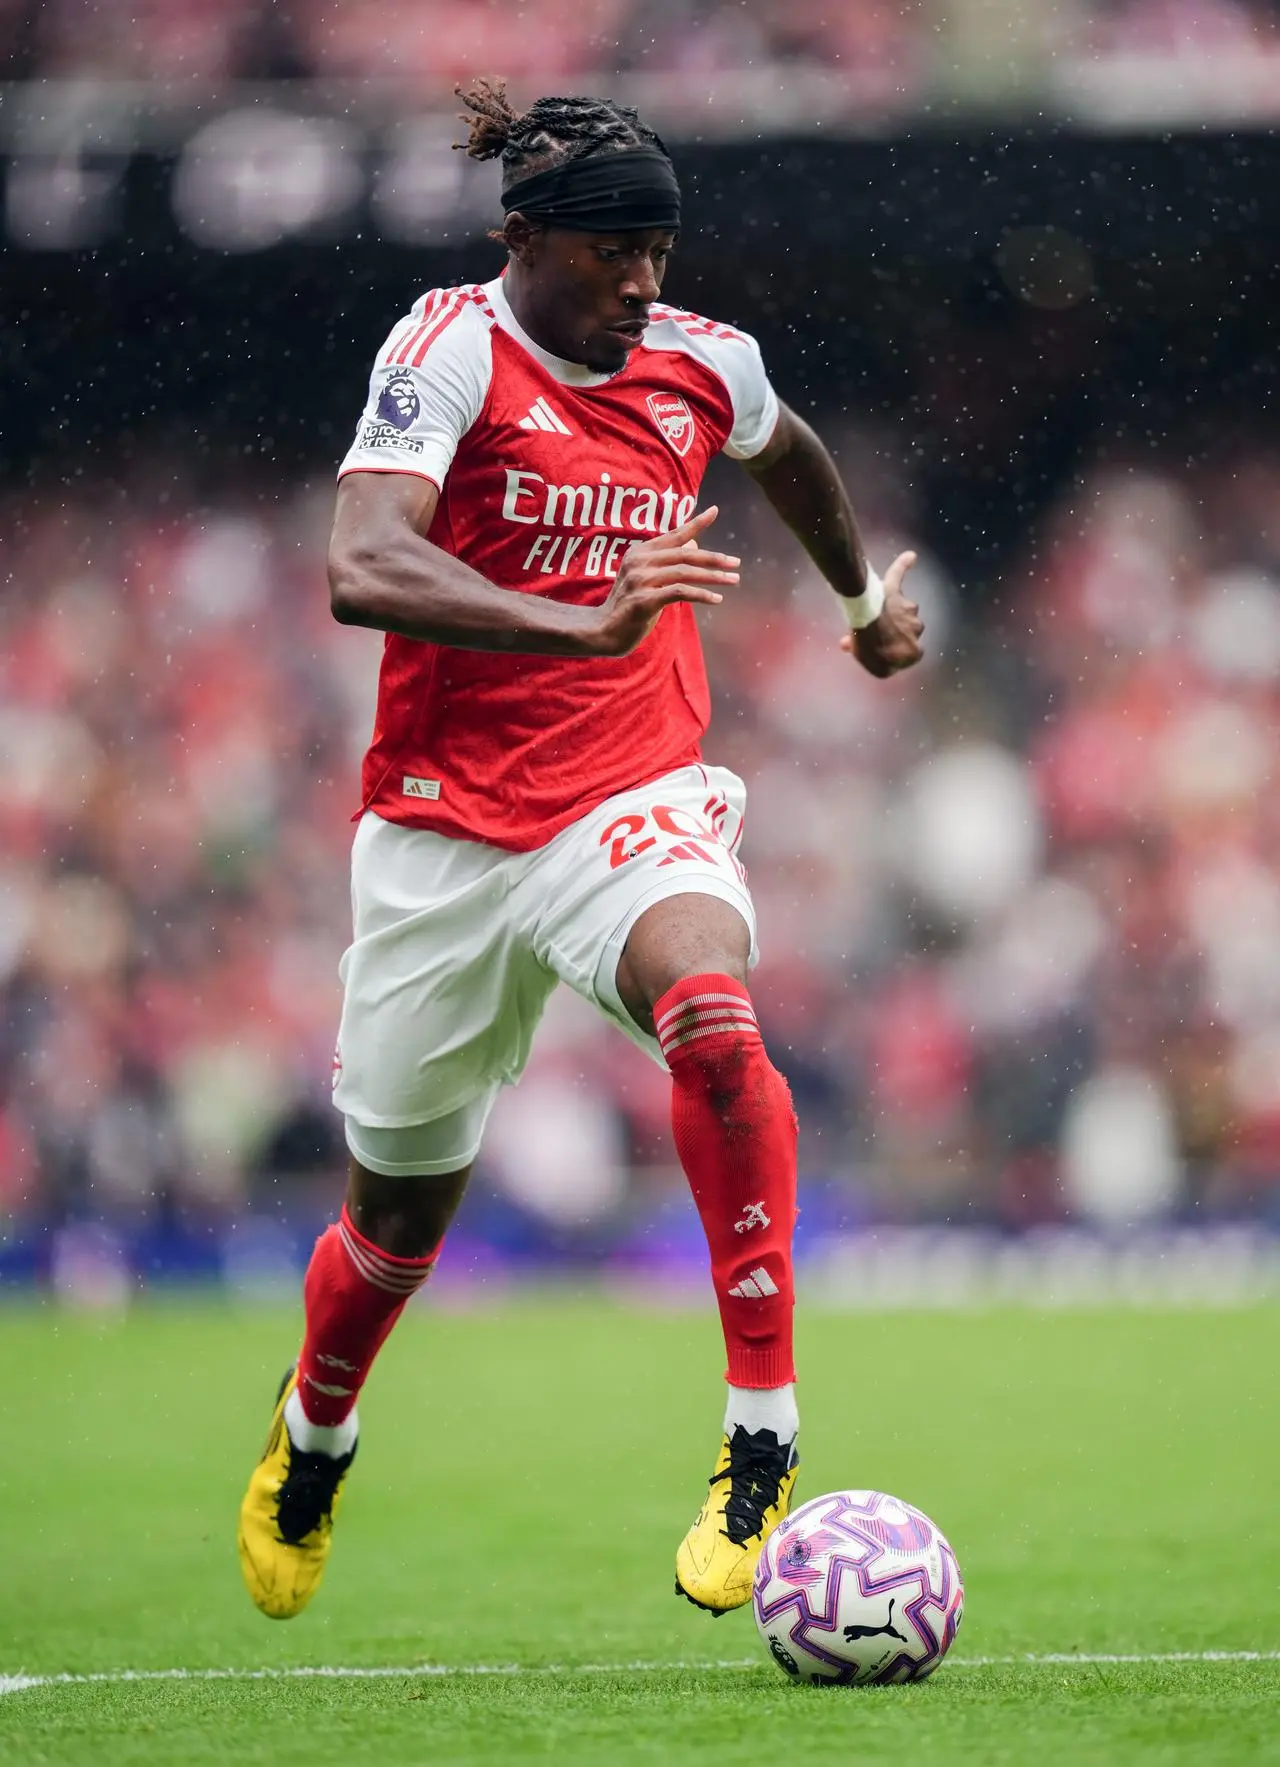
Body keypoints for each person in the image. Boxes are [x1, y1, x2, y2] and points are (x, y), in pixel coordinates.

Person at [237, 79, 923, 1623]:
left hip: (626, 794)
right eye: (613, 247)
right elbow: (360, 561)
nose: (643, 279)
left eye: (660, 246)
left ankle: (762, 1434)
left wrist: (860, 598)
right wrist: (579, 614)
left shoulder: (698, 361)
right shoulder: (448, 350)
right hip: (440, 834)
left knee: (717, 1017)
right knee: (397, 1223)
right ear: (524, 238)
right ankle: (314, 1429)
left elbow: (791, 446)